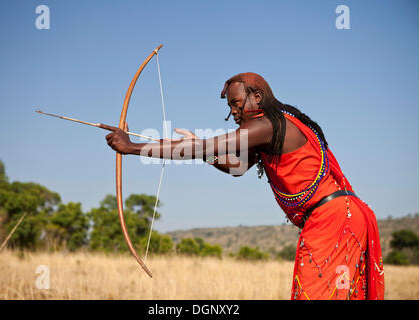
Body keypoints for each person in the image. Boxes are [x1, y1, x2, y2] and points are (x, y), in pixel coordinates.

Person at [106, 72, 384, 300]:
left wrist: (132, 148)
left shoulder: (266, 126)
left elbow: (206, 146)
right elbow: (236, 167)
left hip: (335, 220)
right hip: (336, 218)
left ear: (257, 97)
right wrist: (201, 150)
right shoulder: (267, 131)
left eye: (236, 103)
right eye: (229, 106)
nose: (233, 111)